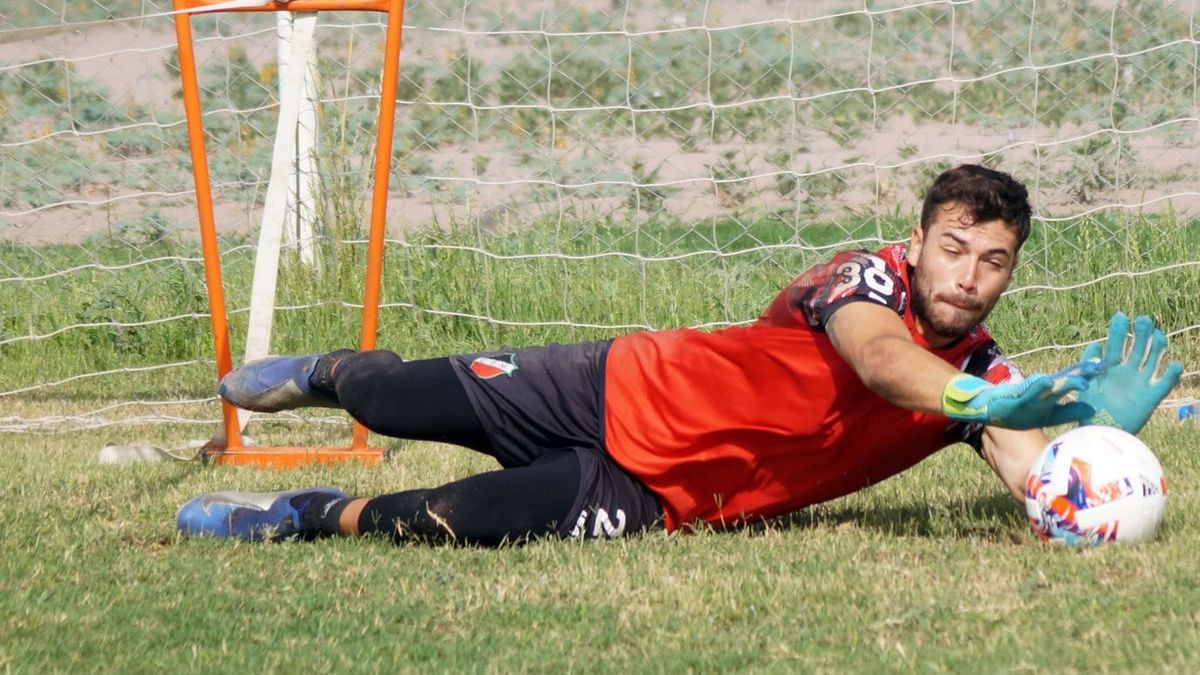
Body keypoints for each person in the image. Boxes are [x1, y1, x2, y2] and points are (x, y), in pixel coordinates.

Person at [177, 165, 1183, 545]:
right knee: (395, 403)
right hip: (613, 384)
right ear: (916, 242)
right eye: (952, 249)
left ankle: (302, 518)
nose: (967, 276)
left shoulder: (987, 386)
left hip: (667, 497)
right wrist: (990, 400)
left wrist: (1100, 445)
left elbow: (1039, 485)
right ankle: (333, 373)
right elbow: (881, 364)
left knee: (447, 521)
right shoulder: (858, 282)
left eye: (992, 262)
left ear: (1009, 275)